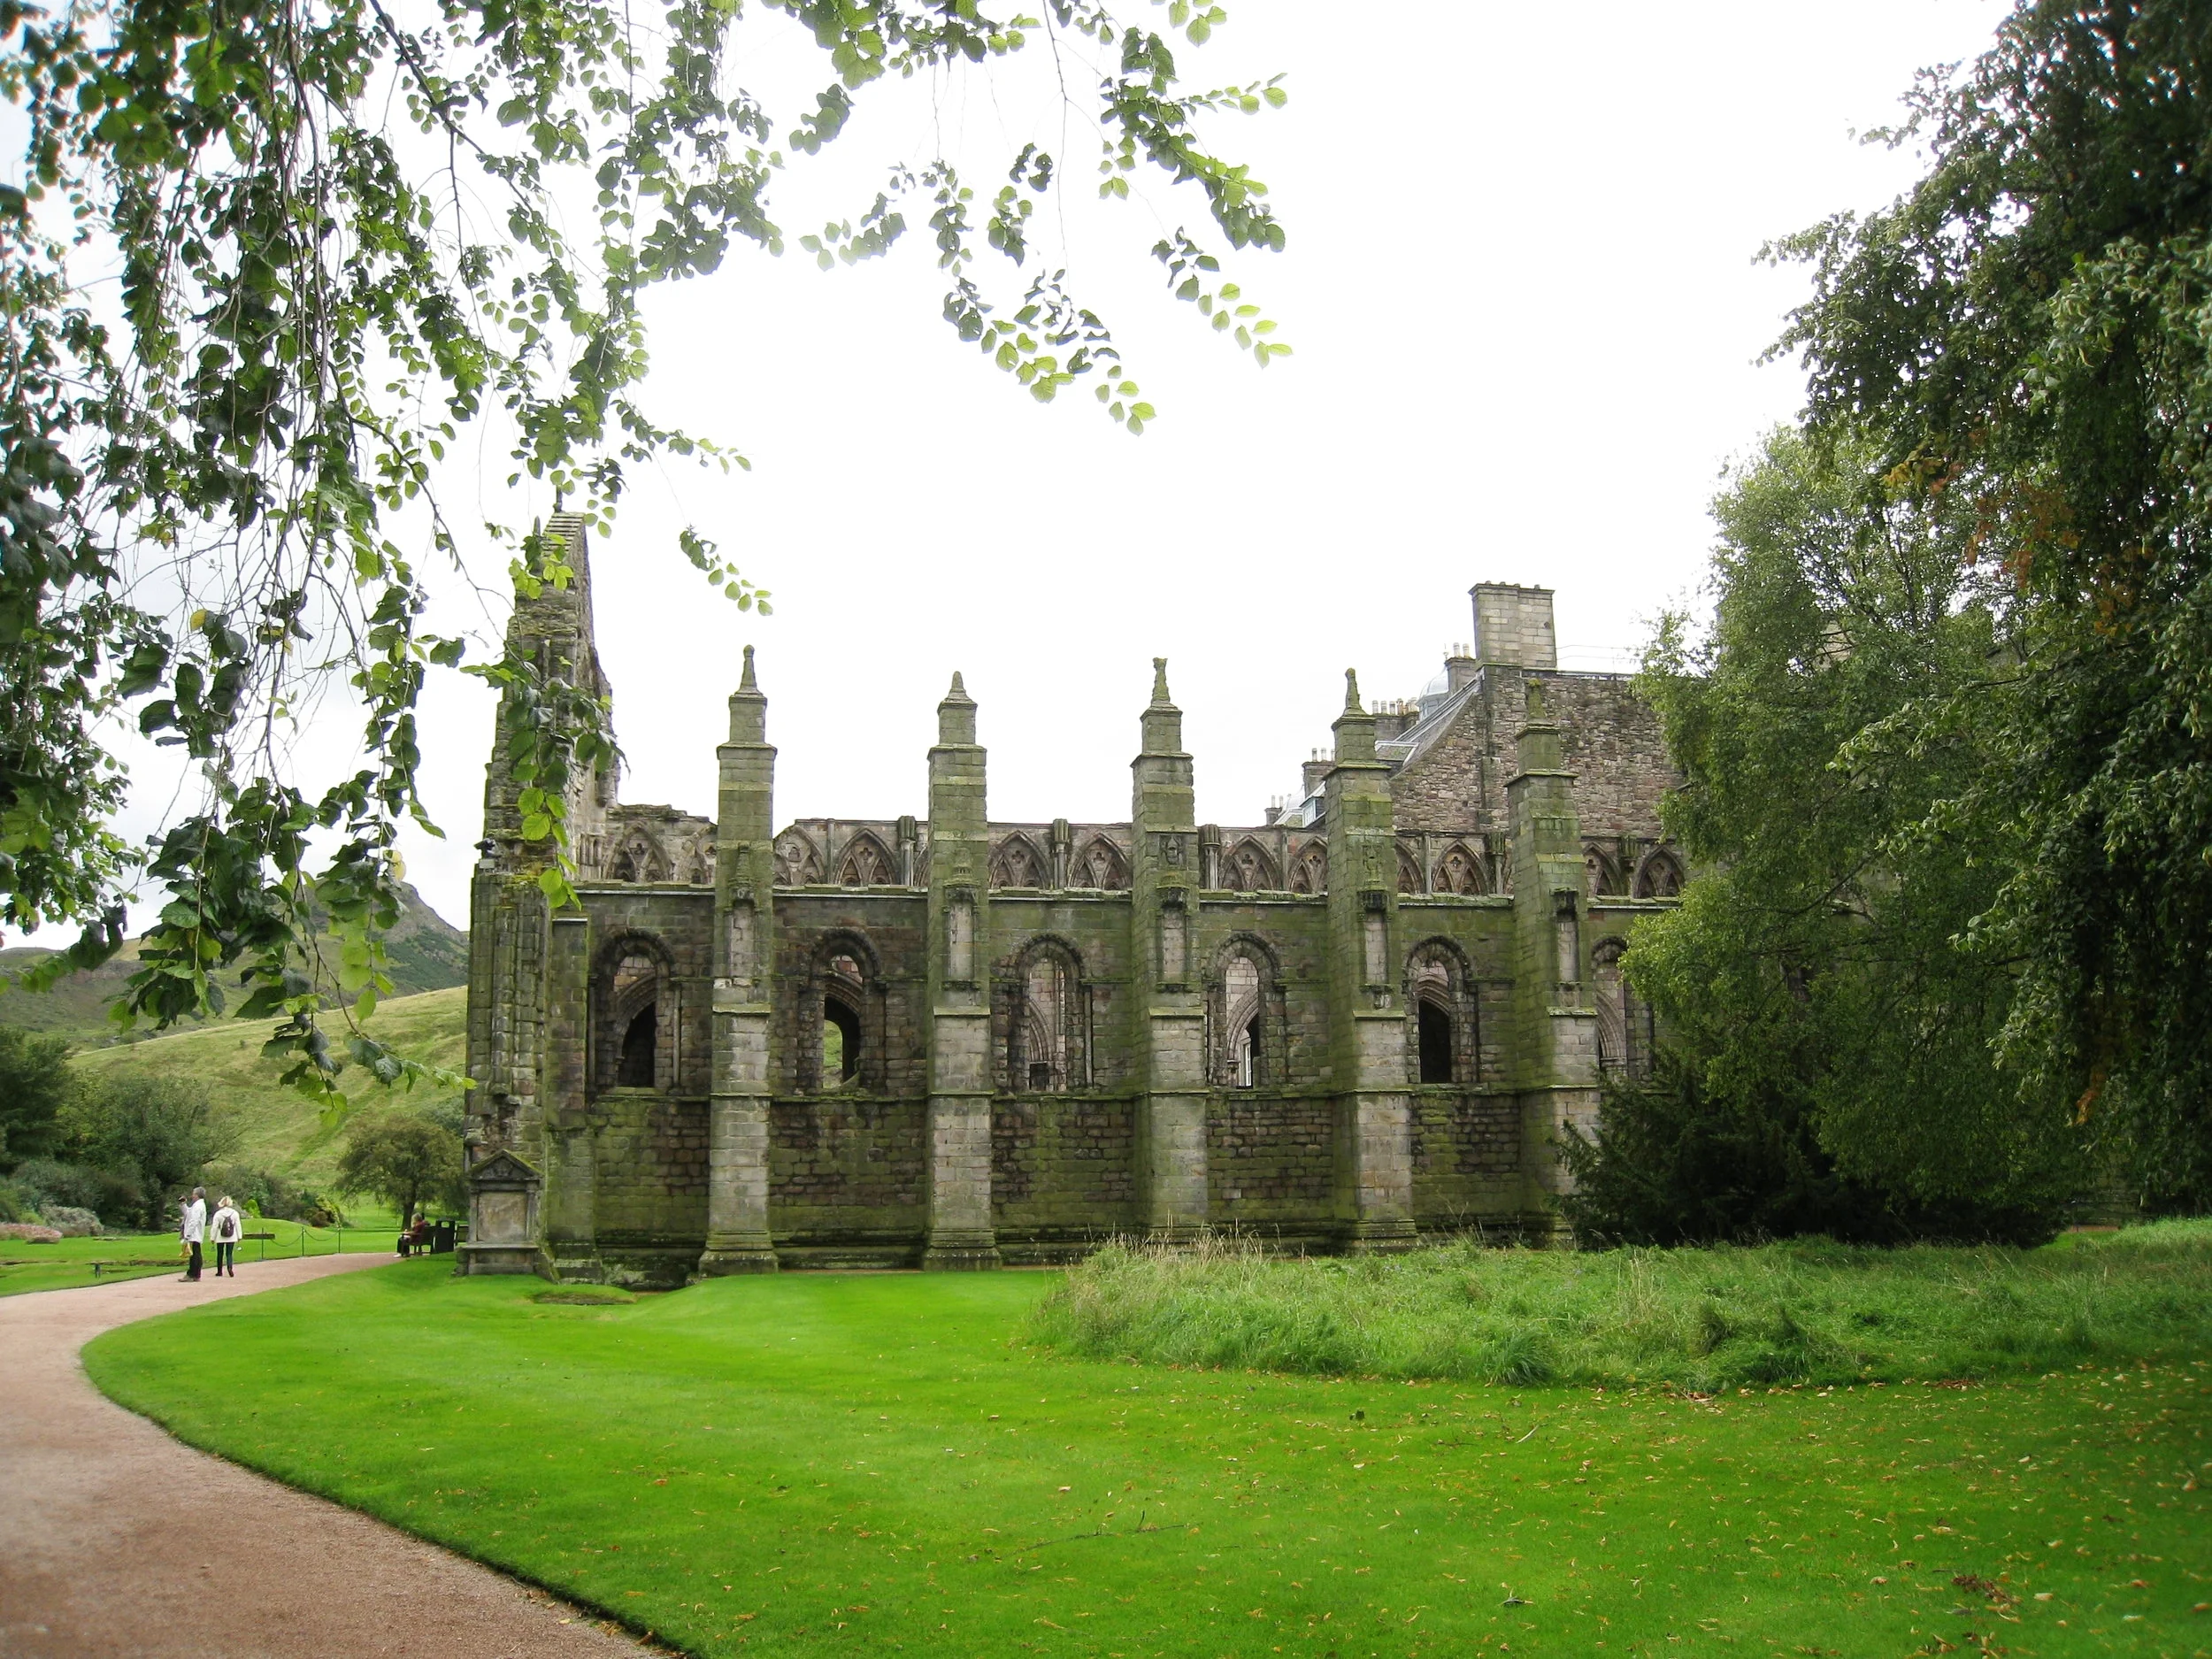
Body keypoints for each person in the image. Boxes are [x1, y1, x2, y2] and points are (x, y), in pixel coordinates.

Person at [178, 1187, 207, 1282]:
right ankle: (196, 1274)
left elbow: (193, 1221)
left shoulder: (198, 1206)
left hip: (194, 1234)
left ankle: (192, 1274)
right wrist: (183, 1204)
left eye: (194, 1194)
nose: (192, 1195)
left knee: (194, 1255)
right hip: (195, 1234)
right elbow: (188, 1213)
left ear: (197, 1195)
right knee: (195, 1253)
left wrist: (188, 1235)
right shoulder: (197, 1205)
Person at [210, 1194, 242, 1278]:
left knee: (220, 1254)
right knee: (229, 1254)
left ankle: (219, 1271)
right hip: (232, 1236)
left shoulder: (218, 1214)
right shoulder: (235, 1213)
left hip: (220, 1236)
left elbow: (215, 1227)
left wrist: (212, 1237)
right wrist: (239, 1236)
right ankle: (230, 1267)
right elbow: (238, 1225)